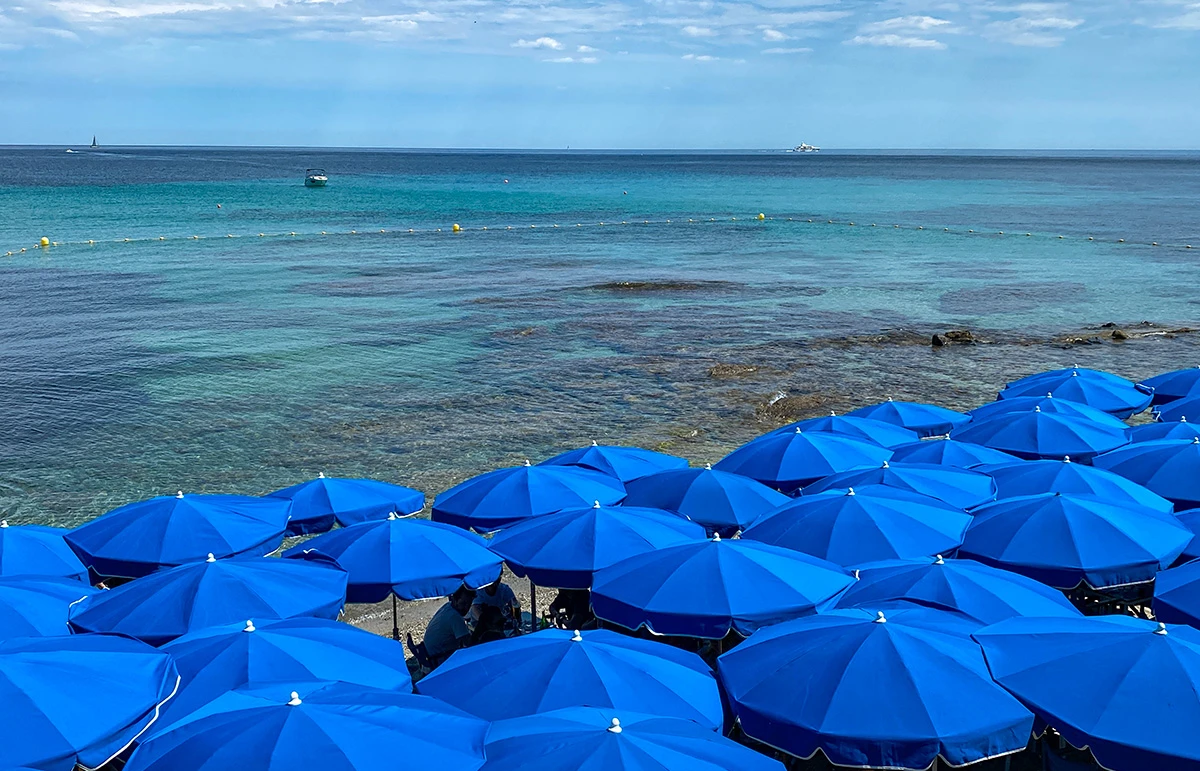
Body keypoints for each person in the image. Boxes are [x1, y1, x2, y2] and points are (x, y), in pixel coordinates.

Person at [422, 586, 475, 668]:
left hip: (428, 654)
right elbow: (470, 644)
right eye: (463, 604)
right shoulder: (455, 617)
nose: (466, 608)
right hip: (438, 659)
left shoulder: (448, 606)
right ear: (454, 600)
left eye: (469, 604)